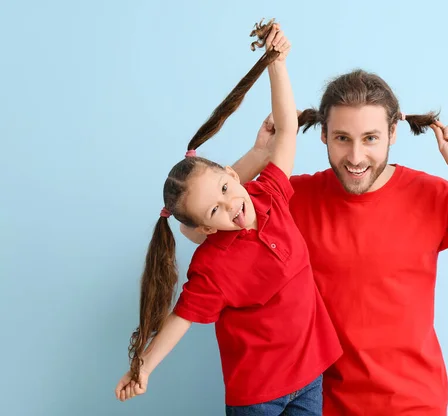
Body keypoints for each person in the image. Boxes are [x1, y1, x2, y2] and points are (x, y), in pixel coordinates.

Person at [182, 69, 448, 415]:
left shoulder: (433, 196)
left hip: (413, 405)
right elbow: (197, 230)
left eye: (370, 138)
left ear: (393, 133)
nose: (355, 157)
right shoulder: (291, 200)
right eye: (342, 138)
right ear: (323, 134)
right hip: (321, 405)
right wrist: (259, 156)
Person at [115, 20, 342, 416]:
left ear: (232, 175)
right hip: (258, 397)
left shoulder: (268, 192)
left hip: (309, 377)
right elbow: (181, 319)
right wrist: (144, 367)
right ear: (204, 227)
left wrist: (278, 63)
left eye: (224, 189)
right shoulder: (212, 265)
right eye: (214, 212)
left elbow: (288, 129)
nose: (230, 206)